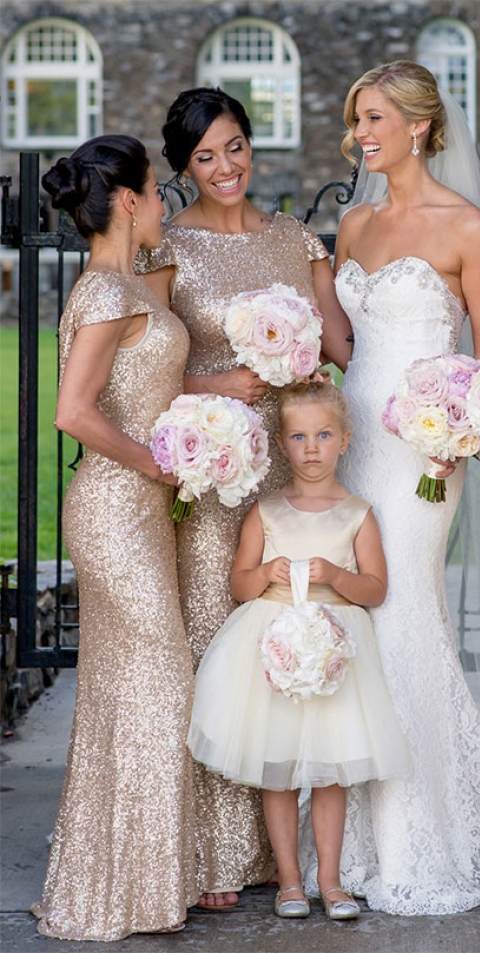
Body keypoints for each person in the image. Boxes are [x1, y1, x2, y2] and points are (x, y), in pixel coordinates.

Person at [136, 86, 352, 910]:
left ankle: (281, 854)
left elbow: (340, 346)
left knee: (288, 636)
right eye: (205, 157)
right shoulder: (166, 249)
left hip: (288, 469)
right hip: (212, 467)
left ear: (251, 146)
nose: (225, 168)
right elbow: (147, 371)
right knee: (212, 639)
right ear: (183, 168)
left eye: (235, 148)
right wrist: (220, 383)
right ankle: (210, 847)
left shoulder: (297, 239)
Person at [327, 60, 480, 915]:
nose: (361, 133)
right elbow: (341, 342)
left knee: (404, 613)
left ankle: (418, 833)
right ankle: (348, 839)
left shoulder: (468, 228)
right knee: (349, 621)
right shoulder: (353, 224)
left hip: (421, 453)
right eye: (357, 119)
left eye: (374, 118)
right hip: (348, 444)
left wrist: (455, 433)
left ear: (421, 126)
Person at [31, 136, 197, 939]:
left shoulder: (126, 284)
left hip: (139, 508)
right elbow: (73, 412)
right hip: (114, 507)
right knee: (160, 680)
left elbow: (145, 384)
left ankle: (126, 880)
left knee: (128, 689)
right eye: (157, 191)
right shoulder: (104, 292)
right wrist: (158, 465)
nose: (166, 203)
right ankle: (121, 883)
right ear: (127, 201)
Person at [187, 380, 409, 921]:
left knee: (331, 770)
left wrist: (337, 576)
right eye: (300, 436)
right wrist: (263, 572)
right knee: (279, 767)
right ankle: (289, 880)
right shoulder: (266, 511)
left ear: (345, 441)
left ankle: (329, 881)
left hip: (336, 653)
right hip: (271, 650)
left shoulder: (358, 513)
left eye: (324, 434)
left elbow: (376, 589)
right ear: (283, 444)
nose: (312, 447)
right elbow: (239, 585)